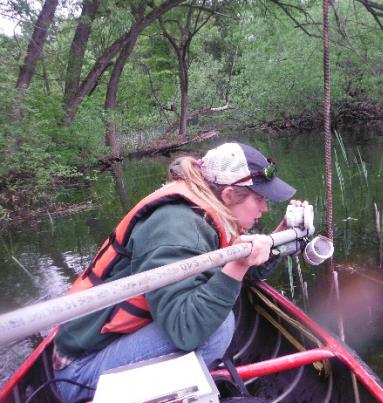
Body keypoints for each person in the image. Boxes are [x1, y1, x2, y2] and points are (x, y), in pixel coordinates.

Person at [53, 142, 299, 402]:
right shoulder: (179, 229)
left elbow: (242, 273)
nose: (265, 208)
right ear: (227, 195)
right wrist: (238, 264)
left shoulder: (204, 210)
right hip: (80, 373)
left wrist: (277, 241)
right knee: (217, 329)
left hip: (103, 349)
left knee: (218, 305)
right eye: (259, 199)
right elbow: (187, 330)